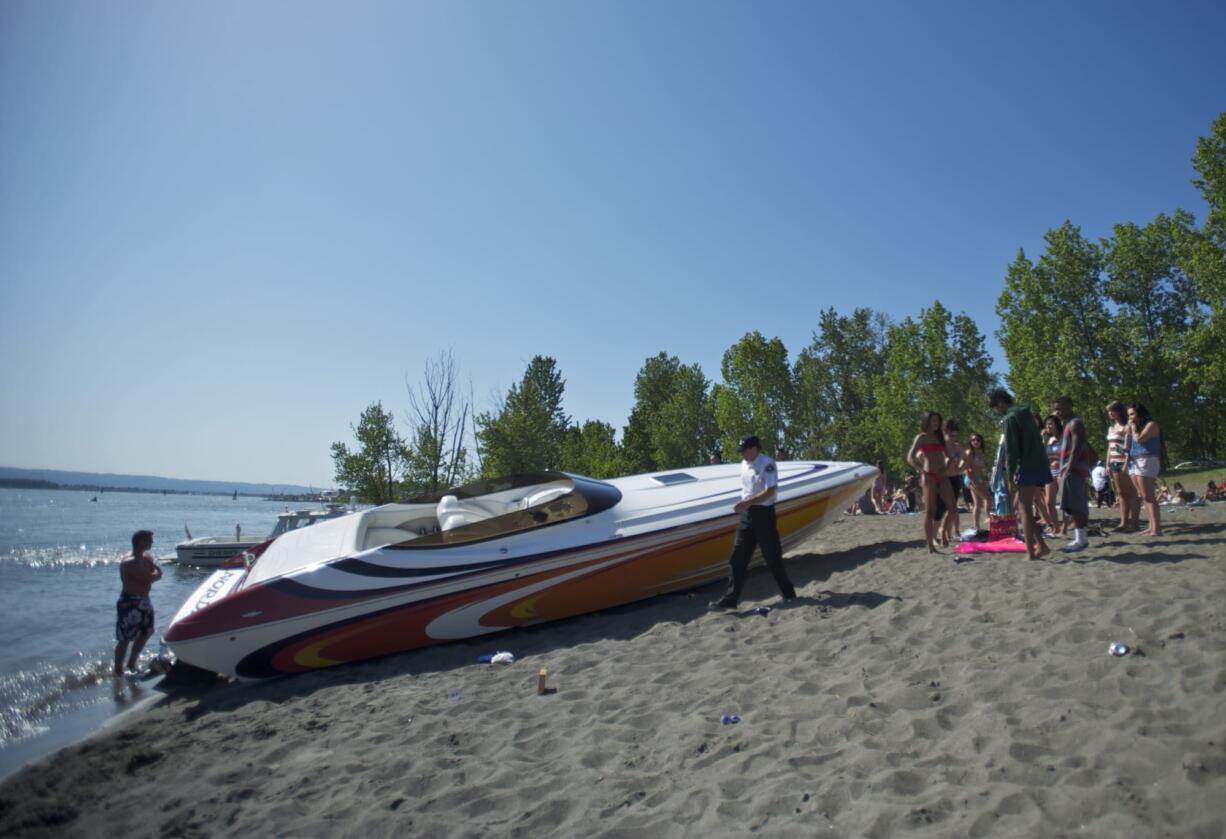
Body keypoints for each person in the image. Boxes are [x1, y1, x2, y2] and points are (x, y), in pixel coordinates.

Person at [710, 436, 797, 609]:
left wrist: (748, 502)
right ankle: (731, 599)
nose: (741, 454)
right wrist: (745, 504)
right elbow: (747, 490)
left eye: (744, 450)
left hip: (764, 514)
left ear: (754, 449)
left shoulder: (768, 463)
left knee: (772, 558)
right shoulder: (744, 464)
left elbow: (771, 491)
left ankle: (788, 593)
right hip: (747, 515)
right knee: (737, 558)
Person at [989, 387, 1051, 561]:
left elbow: (1011, 449)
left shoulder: (1010, 418)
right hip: (1039, 462)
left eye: (996, 407)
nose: (996, 411)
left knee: (1023, 508)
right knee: (1024, 507)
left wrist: (1010, 476)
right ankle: (1042, 546)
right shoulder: (1025, 414)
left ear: (1000, 403)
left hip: (1026, 465)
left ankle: (1030, 551)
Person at [906, 412, 958, 553]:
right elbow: (910, 457)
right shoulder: (921, 437)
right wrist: (919, 469)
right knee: (930, 511)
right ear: (927, 421)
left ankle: (943, 531)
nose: (935, 423)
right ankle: (930, 545)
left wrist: (948, 467)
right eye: (933, 421)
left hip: (942, 475)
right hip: (928, 476)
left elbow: (949, 456)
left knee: (953, 508)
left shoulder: (940, 437)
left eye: (937, 421)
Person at [114, 529, 162, 676]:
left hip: (144, 600)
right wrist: (157, 573)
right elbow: (149, 577)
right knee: (125, 638)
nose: (152, 542)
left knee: (147, 631)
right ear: (141, 541)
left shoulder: (146, 557)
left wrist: (156, 573)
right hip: (130, 602)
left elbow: (153, 574)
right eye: (149, 540)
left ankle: (132, 661)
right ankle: (118, 669)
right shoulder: (130, 562)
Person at [1053, 395, 1092, 551]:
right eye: (1056, 409)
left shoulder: (1075, 423)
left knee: (1077, 505)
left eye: (1059, 408)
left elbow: (1077, 446)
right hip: (1070, 469)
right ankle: (1080, 538)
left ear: (1069, 406)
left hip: (1075, 470)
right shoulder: (1067, 424)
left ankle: (1081, 540)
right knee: (1072, 506)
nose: (1057, 412)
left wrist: (1069, 466)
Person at [1126, 403, 1162, 536]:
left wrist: (1134, 428)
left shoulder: (1151, 425)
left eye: (1132, 414)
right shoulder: (1134, 427)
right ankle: (1151, 526)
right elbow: (1129, 441)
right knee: (1143, 496)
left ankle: (1156, 528)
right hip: (1134, 460)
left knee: (1148, 496)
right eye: (1129, 415)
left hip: (1147, 459)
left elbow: (1140, 439)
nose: (1130, 417)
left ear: (1140, 414)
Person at [1106, 401, 1139, 531]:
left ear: (1118, 411)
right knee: (1121, 493)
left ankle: (1135, 523)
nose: (1110, 414)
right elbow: (1110, 447)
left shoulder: (1127, 426)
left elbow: (1130, 446)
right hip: (1114, 462)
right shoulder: (1111, 428)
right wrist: (1107, 462)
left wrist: (1126, 461)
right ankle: (1123, 522)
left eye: (1112, 411)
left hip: (1125, 462)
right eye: (1108, 411)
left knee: (1131, 493)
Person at [941, 419, 964, 543]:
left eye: (955, 435)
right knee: (950, 508)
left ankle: (948, 531)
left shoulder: (957, 446)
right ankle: (944, 531)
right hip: (944, 479)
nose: (953, 438)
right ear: (945, 433)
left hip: (955, 478)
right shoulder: (941, 446)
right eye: (951, 435)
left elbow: (966, 459)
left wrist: (961, 467)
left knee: (953, 508)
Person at [1041, 414, 1064, 536]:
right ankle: (1056, 527)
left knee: (1066, 500)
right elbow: (1042, 455)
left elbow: (1067, 454)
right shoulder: (1048, 439)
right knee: (1049, 501)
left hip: (1062, 469)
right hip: (1050, 470)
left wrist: (1055, 457)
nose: (1048, 426)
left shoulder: (1063, 438)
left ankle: (1065, 526)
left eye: (1050, 424)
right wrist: (1044, 440)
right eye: (1047, 424)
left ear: (1056, 424)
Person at [964, 432, 991, 531]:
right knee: (987, 499)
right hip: (972, 478)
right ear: (970, 442)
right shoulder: (970, 452)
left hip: (979, 478)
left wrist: (983, 479)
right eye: (973, 440)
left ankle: (976, 526)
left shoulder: (980, 452)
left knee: (977, 503)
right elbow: (966, 468)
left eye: (978, 440)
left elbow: (979, 468)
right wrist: (972, 479)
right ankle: (989, 518)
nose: (976, 442)